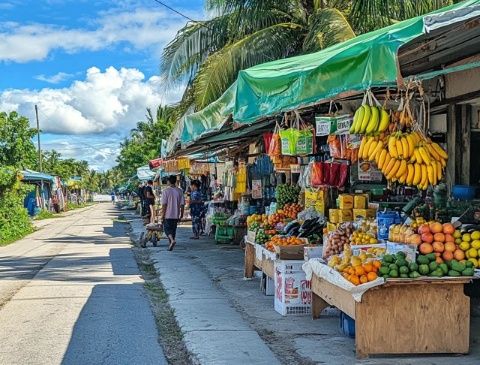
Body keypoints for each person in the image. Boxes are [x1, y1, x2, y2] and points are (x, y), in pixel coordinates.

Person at [161, 175, 185, 251]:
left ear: (169, 181)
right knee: (173, 230)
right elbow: (182, 204)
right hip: (176, 214)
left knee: (167, 229)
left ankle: (171, 241)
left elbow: (164, 204)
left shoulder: (165, 191)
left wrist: (162, 215)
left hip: (168, 214)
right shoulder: (180, 191)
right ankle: (171, 243)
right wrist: (181, 214)